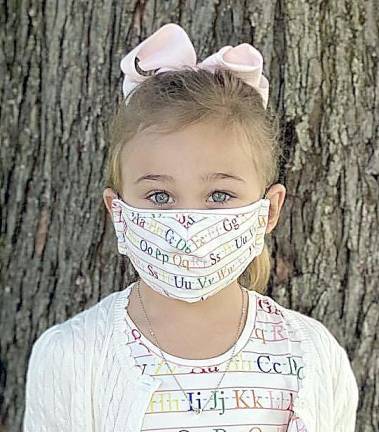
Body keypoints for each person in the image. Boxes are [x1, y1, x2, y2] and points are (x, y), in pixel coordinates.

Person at [23, 23, 359, 432]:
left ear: (268, 210)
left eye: (219, 195)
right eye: (160, 196)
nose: (187, 224)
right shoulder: (71, 358)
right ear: (118, 211)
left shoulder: (314, 357)